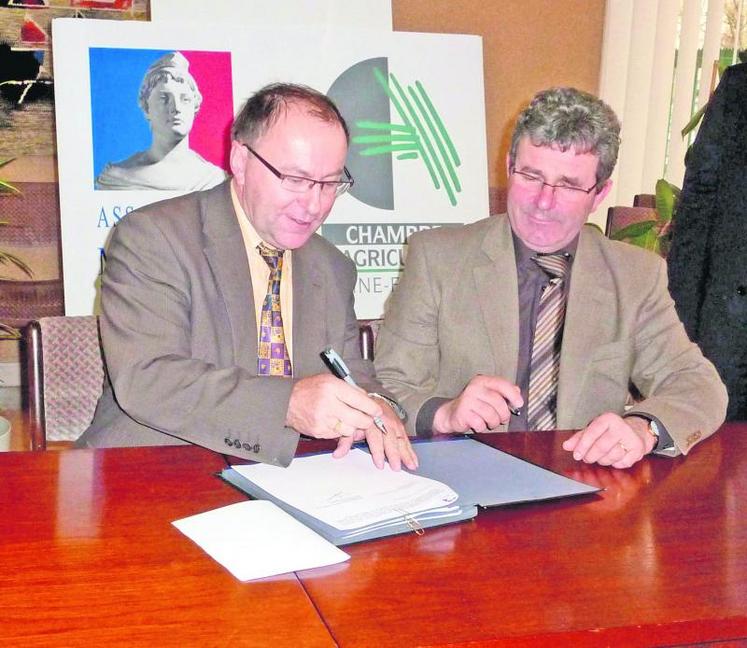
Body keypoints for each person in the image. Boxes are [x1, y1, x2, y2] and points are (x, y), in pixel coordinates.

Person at [374, 86, 727, 469]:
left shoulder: (635, 276)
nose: (544, 201)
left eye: (569, 185)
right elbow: (386, 386)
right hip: (462, 481)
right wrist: (444, 413)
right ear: (509, 167)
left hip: (584, 487)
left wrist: (645, 428)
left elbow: (699, 385)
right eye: (531, 176)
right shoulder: (437, 258)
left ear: (599, 193)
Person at [79, 83, 417, 471]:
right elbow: (149, 378)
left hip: (288, 477)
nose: (314, 204)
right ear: (240, 159)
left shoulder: (332, 266)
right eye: (294, 178)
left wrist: (380, 406)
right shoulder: (152, 237)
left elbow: (350, 371)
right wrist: (286, 405)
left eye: (329, 183)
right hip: (153, 469)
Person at [668, 60, 747, 421]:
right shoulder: (739, 89)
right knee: (718, 458)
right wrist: (680, 319)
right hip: (731, 328)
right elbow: (697, 209)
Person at [95, 51, 226, 191]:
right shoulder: (116, 178)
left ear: (194, 107)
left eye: (185, 99)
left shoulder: (212, 179)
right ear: (146, 108)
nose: (176, 108)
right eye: (164, 99)